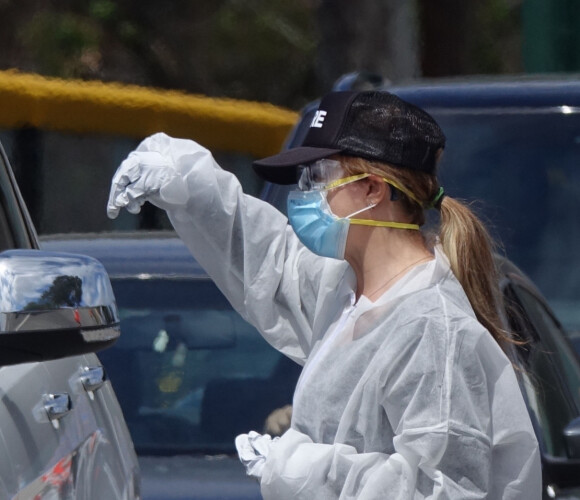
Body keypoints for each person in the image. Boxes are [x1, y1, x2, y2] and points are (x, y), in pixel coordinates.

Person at [107, 90, 541, 499]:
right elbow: (268, 261)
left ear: (372, 190)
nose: (303, 194)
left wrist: (303, 469)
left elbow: (444, 490)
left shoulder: (432, 329)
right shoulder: (350, 292)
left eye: (317, 176)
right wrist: (189, 185)